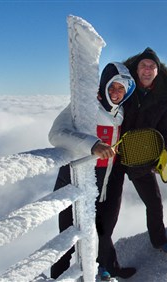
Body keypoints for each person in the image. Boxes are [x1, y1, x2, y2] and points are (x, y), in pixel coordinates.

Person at [49, 62, 137, 280]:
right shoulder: (83, 108)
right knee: (68, 238)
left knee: (98, 231)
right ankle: (57, 278)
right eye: (112, 87)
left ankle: (104, 268)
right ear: (103, 87)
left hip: (101, 183)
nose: (116, 93)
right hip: (73, 182)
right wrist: (92, 144)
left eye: (121, 89)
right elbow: (56, 134)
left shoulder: (120, 112)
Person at [118, 47, 167, 253]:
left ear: (157, 72)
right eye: (144, 65)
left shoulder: (163, 102)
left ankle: (159, 240)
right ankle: (104, 261)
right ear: (136, 69)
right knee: (107, 210)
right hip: (112, 157)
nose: (147, 69)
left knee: (154, 203)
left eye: (152, 66)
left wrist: (155, 157)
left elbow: (166, 132)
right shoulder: (121, 91)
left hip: (141, 159)